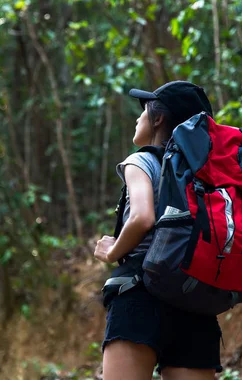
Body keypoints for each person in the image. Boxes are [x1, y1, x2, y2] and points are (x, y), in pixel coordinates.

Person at [94, 81, 223, 380]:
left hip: (140, 292)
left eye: (143, 111)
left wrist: (112, 251)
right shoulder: (208, 175)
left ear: (158, 118)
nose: (137, 118)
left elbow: (142, 218)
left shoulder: (141, 160)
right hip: (196, 300)